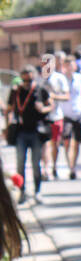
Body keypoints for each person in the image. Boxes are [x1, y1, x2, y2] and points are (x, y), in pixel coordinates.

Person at [5, 65, 51, 203]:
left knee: (36, 164)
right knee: (20, 164)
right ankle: (22, 191)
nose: (27, 84)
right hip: (21, 132)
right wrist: (8, 122)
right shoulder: (16, 92)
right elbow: (8, 109)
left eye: (29, 81)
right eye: (24, 81)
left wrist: (43, 109)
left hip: (36, 131)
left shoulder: (40, 90)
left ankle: (37, 191)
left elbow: (51, 105)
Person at [59, 52, 81, 179]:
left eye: (71, 65)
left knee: (77, 142)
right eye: (67, 65)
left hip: (78, 113)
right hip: (65, 114)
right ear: (64, 66)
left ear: (75, 66)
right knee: (67, 141)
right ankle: (69, 164)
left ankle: (73, 166)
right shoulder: (60, 79)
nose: (69, 67)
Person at [41, 53, 68, 178]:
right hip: (43, 117)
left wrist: (54, 96)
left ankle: (54, 166)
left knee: (55, 144)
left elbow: (67, 96)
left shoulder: (60, 78)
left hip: (56, 115)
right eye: (44, 63)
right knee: (44, 144)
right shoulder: (38, 79)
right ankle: (45, 169)